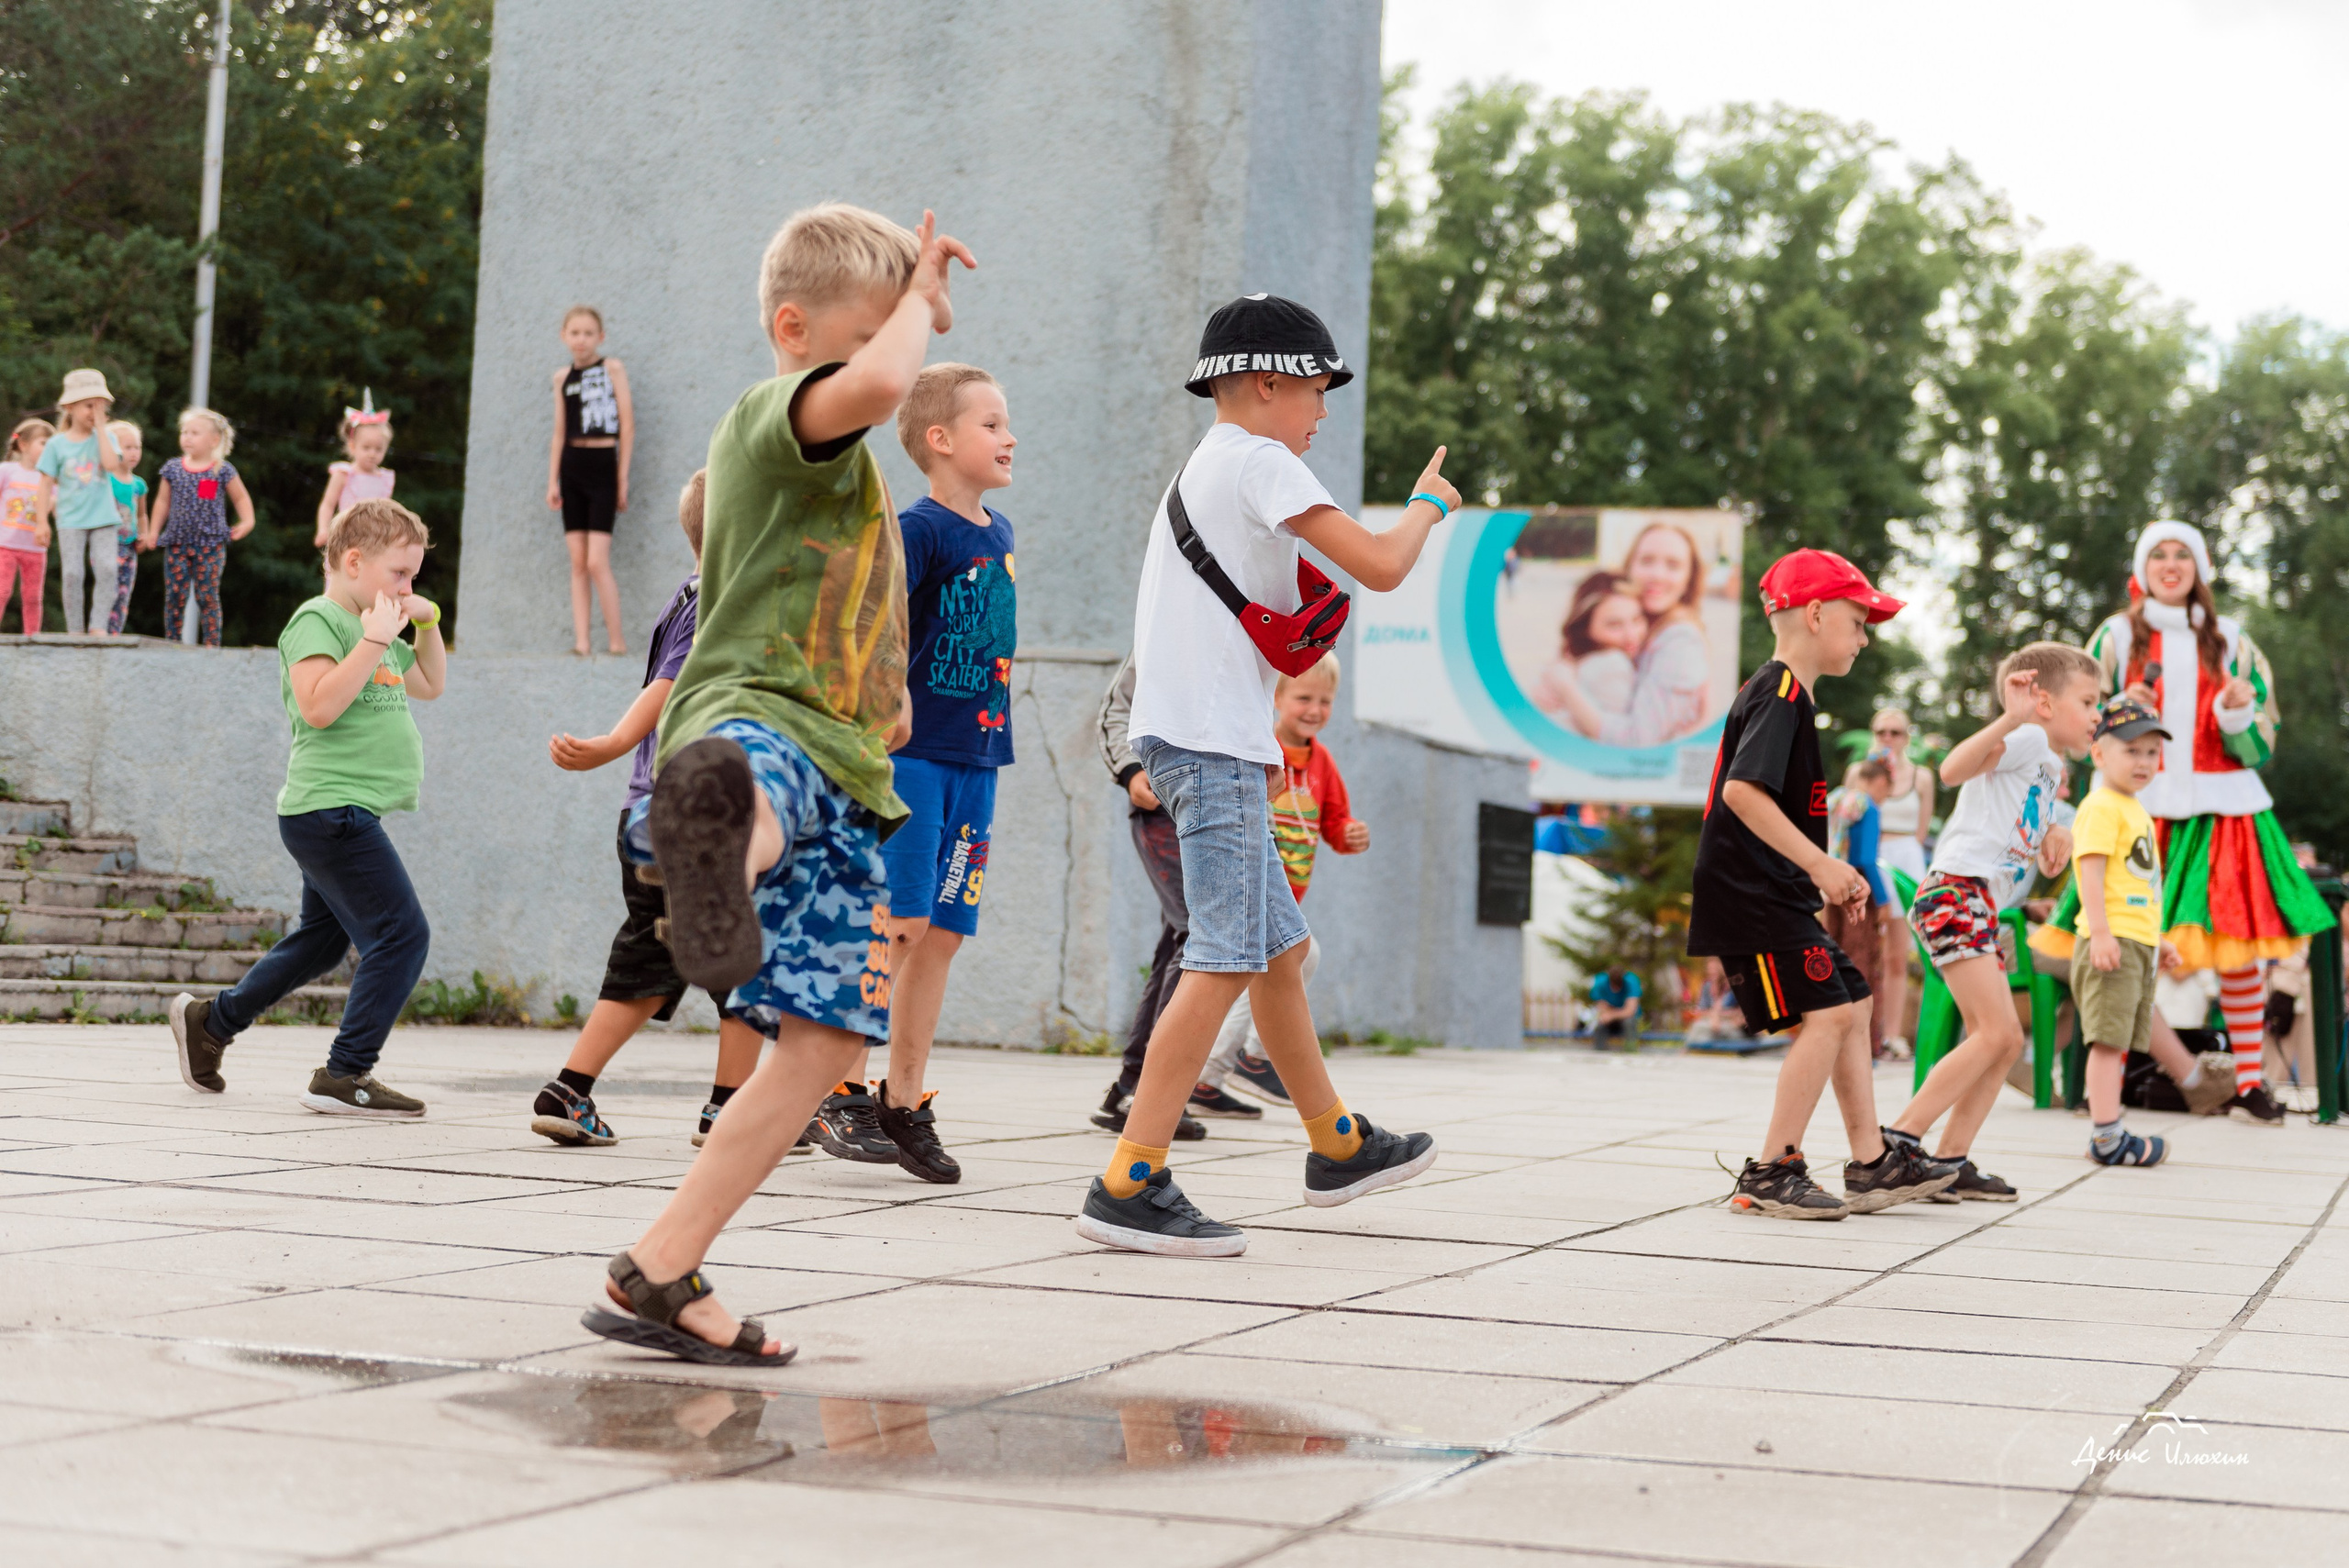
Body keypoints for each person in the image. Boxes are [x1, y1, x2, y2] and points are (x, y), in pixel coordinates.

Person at [575, 202, 974, 1367]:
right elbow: (883, 384)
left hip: (851, 768)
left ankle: (659, 1265)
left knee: (821, 1041)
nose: (889, 360)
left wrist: (888, 697)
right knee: (758, 794)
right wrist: (918, 308)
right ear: (797, 330)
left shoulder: (844, 485)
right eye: (869, 337)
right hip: (756, 718)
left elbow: (866, 622)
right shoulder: (772, 418)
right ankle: (708, 847)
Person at [1077, 292, 1454, 1259]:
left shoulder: (1212, 467)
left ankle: (1337, 1144)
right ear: (1264, 384)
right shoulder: (1257, 459)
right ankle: (1131, 1175)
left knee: (1277, 952)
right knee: (1226, 954)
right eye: (1317, 391)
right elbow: (1377, 566)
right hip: (1212, 742)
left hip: (1199, 735)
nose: (1323, 411)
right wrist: (1427, 507)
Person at [530, 471, 793, 1154]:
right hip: (692, 816)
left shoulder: (689, 592)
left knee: (681, 959)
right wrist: (614, 740)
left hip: (654, 811)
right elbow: (668, 685)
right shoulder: (721, 602)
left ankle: (595, 1091)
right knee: (712, 959)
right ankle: (710, 1108)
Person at [1687, 549, 1954, 1220]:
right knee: (1831, 1014)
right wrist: (1821, 863)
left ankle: (1872, 1162)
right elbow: (1743, 794)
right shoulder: (1778, 694)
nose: (1864, 639)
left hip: (1772, 890)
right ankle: (1773, 1165)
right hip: (1750, 894)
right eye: (1859, 622)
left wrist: (1824, 869)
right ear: (1814, 613)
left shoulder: (1790, 697)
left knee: (1854, 999)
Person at [166, 498, 446, 1115]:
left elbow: (430, 683)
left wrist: (425, 624)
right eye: (399, 574)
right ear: (353, 561)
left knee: (322, 943)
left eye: (414, 577)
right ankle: (346, 1074)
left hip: (341, 812)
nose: (408, 586)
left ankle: (209, 1022)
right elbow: (318, 705)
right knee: (402, 935)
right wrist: (375, 639)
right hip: (330, 811)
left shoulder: (377, 627)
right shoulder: (318, 620)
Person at [815, 361, 1020, 1185]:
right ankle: (836, 1086)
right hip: (914, 762)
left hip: (979, 761)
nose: (1009, 437)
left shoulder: (999, 532)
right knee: (895, 927)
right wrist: (888, 691)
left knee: (940, 936)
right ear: (940, 440)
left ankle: (903, 1102)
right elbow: (871, 617)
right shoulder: (919, 528)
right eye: (992, 424)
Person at [2058, 520, 2334, 1126]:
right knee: (2122, 945)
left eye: (2183, 553)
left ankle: (2249, 1081)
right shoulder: (2112, 636)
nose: (2171, 562)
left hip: (2224, 809)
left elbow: (2263, 739)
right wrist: (2114, 709)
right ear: (2143, 566)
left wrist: (2237, 713)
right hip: (2137, 811)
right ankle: (2109, 1080)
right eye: (2158, 552)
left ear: (2201, 567)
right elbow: (2077, 726)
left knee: (2239, 948)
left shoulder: (2233, 639)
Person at [1884, 643, 2101, 1201]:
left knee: (2002, 1043)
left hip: (1979, 903)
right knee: (2000, 1034)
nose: (2098, 714)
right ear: (2045, 703)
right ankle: (1899, 1144)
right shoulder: (2028, 736)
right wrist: (2011, 716)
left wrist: (2052, 830)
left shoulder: (2049, 764)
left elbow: (2015, 808)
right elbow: (1954, 770)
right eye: (2089, 701)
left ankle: (1950, 1160)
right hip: (1957, 892)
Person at [1192, 652, 1370, 1114]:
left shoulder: (1323, 763)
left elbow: (1334, 823)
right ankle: (1247, 1060)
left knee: (1279, 967)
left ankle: (1210, 1079)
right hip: (1256, 885)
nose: (1314, 709)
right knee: (1296, 960)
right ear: (1276, 697)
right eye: (1304, 698)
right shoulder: (1262, 746)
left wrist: (1350, 834)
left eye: (1325, 701)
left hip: (1290, 894)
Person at [2059, 696, 2192, 1166]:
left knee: (2120, 1040)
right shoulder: (2101, 806)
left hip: (2136, 940)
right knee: (2107, 1040)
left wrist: (2158, 939)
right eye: (2131, 751)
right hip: (2109, 939)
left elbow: (2138, 885)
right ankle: (2106, 1136)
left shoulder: (2135, 809)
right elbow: (2089, 873)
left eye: (2151, 753)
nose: (2143, 762)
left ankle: (2109, 1127)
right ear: (2099, 754)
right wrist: (2100, 933)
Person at [1089, 651, 1210, 1142]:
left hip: (1218, 807)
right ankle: (1151, 1090)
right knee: (1197, 936)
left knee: (1175, 943)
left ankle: (1131, 1086)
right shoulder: (1162, 626)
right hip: (1163, 808)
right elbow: (1113, 711)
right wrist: (1131, 771)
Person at [1541, 520, 1711, 747]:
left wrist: (1566, 688)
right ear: (1629, 567)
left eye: (1673, 565)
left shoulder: (1679, 641)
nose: (1657, 575)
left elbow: (1638, 740)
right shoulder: (1645, 626)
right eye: (1647, 560)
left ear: (1688, 579)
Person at [544, 306, 634, 655]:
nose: (581, 339)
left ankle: (617, 642)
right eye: (575, 333)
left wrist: (622, 478)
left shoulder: (612, 369)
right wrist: (553, 480)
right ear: (564, 336)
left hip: (603, 466)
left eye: (588, 333)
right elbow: (558, 432)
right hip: (571, 468)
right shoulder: (561, 378)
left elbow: (627, 425)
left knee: (598, 560)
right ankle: (582, 643)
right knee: (578, 562)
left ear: (601, 337)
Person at [144, 407, 256, 648]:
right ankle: (172, 643)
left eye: (194, 432)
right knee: (175, 596)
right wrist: (154, 531)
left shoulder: (222, 470)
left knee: (207, 595)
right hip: (177, 542)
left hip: (211, 544)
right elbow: (162, 502)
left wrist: (246, 522)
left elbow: (241, 499)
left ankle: (211, 645)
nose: (187, 437)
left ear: (214, 440)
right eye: (184, 432)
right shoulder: (173, 469)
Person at [35, 370, 130, 636]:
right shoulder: (56, 445)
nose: (95, 412)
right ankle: (75, 630)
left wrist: (101, 428)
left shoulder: (107, 438)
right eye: (90, 406)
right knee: (73, 575)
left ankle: (98, 625)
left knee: (108, 569)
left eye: (101, 407)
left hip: (104, 518)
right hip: (70, 520)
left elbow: (112, 465)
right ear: (69, 407)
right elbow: (44, 484)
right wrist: (41, 521)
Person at [1824, 757, 1895, 1057]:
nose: (1885, 798)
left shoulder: (1837, 801)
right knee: (1862, 963)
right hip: (1858, 890)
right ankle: (1864, 1043)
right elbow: (1866, 858)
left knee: (1833, 960)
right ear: (1880, 782)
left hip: (1832, 887)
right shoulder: (1868, 806)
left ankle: (1830, 1036)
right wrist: (1883, 900)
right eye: (1886, 792)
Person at [1532, 571, 1645, 717]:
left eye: (1637, 620)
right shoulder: (1612, 664)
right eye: (1614, 625)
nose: (1631, 636)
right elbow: (1622, 735)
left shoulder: (1572, 663)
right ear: (1586, 628)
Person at [315, 392, 396, 548]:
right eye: (366, 448)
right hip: (346, 537)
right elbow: (328, 504)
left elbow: (386, 515)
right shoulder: (344, 474)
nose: (372, 454)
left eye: (378, 449)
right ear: (353, 447)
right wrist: (323, 529)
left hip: (374, 541)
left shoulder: (384, 478)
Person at [0, 418, 53, 633]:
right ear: (23, 445)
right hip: (5, 544)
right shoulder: (6, 470)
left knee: (33, 596)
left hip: (35, 547)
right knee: (2, 591)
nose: (49, 449)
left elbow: (57, 505)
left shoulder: (49, 479)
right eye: (43, 443)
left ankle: (33, 637)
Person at [103, 421, 147, 637]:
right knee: (106, 588)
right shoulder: (105, 480)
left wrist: (144, 535)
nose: (134, 453)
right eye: (127, 447)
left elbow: (141, 514)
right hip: (106, 544)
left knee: (123, 592)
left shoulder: (139, 484)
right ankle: (99, 628)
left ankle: (114, 633)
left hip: (129, 547)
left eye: (137, 447)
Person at [1588, 961, 1642, 1048]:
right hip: (1612, 1015)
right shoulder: (1601, 982)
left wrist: (1612, 1015)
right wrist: (1609, 1014)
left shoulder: (1631, 981)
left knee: (1629, 1022)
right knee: (1601, 1023)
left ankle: (1631, 1049)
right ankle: (1599, 1051)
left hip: (1626, 1018)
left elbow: (1630, 1011)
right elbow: (1602, 1007)